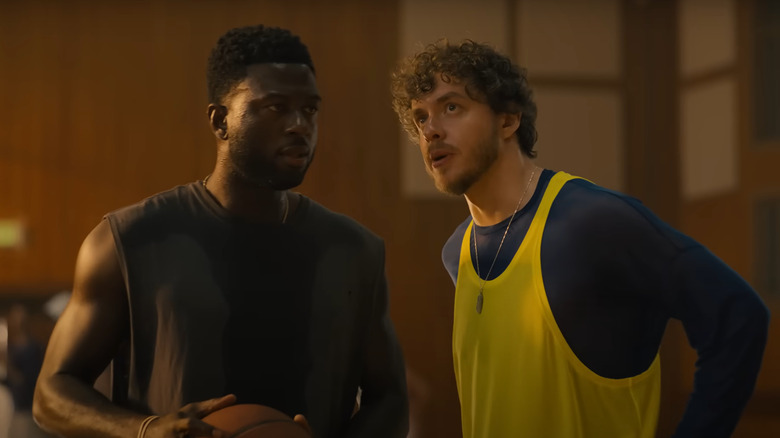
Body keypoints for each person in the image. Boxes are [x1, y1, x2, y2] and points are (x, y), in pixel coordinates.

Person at [33, 25, 409, 438]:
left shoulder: (355, 251)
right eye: (275, 107)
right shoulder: (129, 240)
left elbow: (390, 399)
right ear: (220, 120)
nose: (300, 124)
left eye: (310, 109)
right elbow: (51, 393)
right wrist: (144, 430)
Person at [390, 39, 770, 438]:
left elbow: (738, 317)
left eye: (452, 107)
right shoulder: (457, 253)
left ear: (507, 120)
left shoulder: (589, 222)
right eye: (420, 118)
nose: (431, 130)